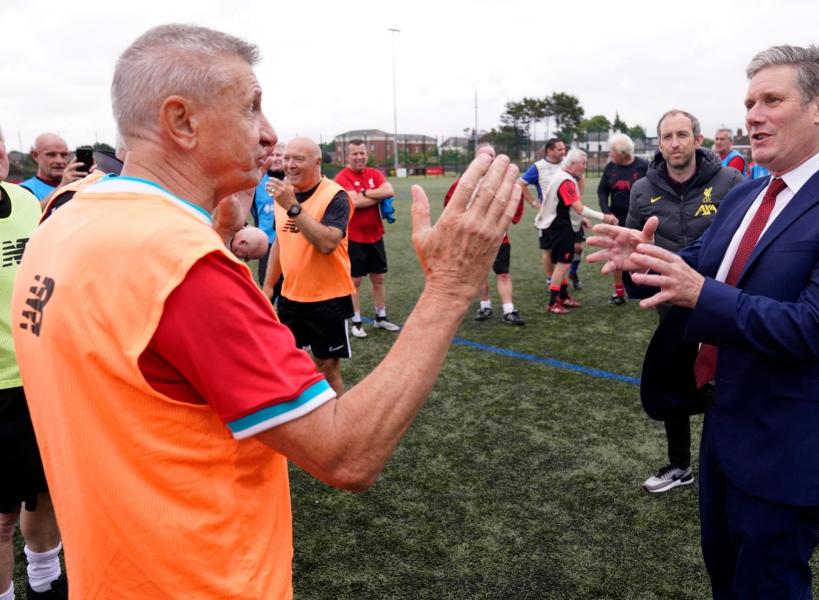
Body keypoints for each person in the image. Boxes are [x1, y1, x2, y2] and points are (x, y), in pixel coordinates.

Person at [11, 24, 522, 599]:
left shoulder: (63, 212)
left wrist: (218, 225)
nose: (270, 132)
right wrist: (452, 286)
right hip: (202, 582)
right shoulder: (183, 267)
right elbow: (345, 454)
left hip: (110, 575)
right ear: (181, 122)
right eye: (251, 107)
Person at [588, 44, 819, 598]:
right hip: (724, 425)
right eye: (749, 101)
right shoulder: (748, 193)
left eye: (771, 100)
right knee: (725, 579)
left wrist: (699, 292)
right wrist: (643, 257)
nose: (752, 115)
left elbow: (815, 326)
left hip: (786, 440)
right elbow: (701, 264)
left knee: (768, 586)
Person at [624, 109, 743, 494]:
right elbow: (634, 243)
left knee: (725, 382)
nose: (675, 143)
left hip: (721, 301)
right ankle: (680, 466)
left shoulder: (730, 181)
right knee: (675, 383)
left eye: (682, 135)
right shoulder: (643, 189)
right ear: (659, 144)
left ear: (697, 138)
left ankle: (726, 466)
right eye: (667, 137)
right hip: (670, 304)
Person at [0, 125, 67, 600]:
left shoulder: (26, 201)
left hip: (41, 379)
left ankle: (45, 580)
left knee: (47, 490)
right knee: (0, 517)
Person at [261, 137, 355, 396]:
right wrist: (269, 287)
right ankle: (305, 413)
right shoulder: (283, 194)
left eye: (298, 159)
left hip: (328, 298)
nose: (289, 165)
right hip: (291, 297)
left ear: (317, 162)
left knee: (326, 366)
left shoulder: (335, 196)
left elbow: (327, 243)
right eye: (287, 158)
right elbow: (281, 241)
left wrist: (293, 206)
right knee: (290, 362)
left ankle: (337, 423)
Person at [444, 143, 525, 325]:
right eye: (484, 156)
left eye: (491, 156)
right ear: (476, 159)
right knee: (479, 274)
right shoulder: (464, 182)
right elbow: (450, 203)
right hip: (473, 238)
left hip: (498, 237)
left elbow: (516, 200)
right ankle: (485, 306)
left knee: (503, 273)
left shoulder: (503, 182)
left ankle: (509, 310)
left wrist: (510, 219)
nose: (488, 160)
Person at [537, 148, 616, 313]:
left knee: (565, 263)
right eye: (583, 163)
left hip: (559, 226)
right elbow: (579, 208)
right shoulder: (566, 181)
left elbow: (568, 206)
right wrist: (604, 217)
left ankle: (564, 297)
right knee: (562, 264)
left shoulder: (562, 176)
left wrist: (582, 220)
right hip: (560, 228)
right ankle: (553, 303)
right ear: (572, 163)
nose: (585, 166)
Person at [333, 140, 399, 338]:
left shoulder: (374, 173)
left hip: (375, 234)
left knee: (378, 278)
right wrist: (374, 196)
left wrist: (365, 194)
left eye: (362, 153)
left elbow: (389, 190)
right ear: (348, 156)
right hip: (353, 237)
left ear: (367, 155)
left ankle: (381, 317)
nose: (359, 157)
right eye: (355, 154)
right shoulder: (342, 177)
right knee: (355, 281)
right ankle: (357, 321)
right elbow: (353, 202)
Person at [522, 138, 586, 289]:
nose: (563, 152)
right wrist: (534, 203)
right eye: (559, 149)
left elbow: (581, 178)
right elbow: (521, 184)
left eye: (564, 149)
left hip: (570, 214)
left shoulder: (568, 163)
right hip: (549, 218)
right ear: (549, 151)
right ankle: (552, 279)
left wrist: (577, 198)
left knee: (578, 247)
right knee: (549, 250)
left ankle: (573, 272)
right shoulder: (538, 167)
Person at [597, 133, 648, 305]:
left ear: (623, 152)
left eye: (612, 150)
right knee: (616, 255)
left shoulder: (644, 167)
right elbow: (602, 191)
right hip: (617, 221)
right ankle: (619, 293)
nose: (609, 153)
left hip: (640, 221)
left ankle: (647, 289)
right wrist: (607, 212)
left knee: (643, 256)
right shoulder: (610, 167)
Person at [19, 134, 88, 203]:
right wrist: (62, 186)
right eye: (51, 155)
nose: (59, 161)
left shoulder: (79, 185)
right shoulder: (24, 190)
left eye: (64, 155)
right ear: (35, 155)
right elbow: (32, 212)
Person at [251, 142, 284, 283]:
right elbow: (250, 210)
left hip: (291, 242)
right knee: (267, 287)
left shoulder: (294, 181)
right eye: (272, 155)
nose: (275, 158)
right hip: (267, 243)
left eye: (279, 155)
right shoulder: (256, 182)